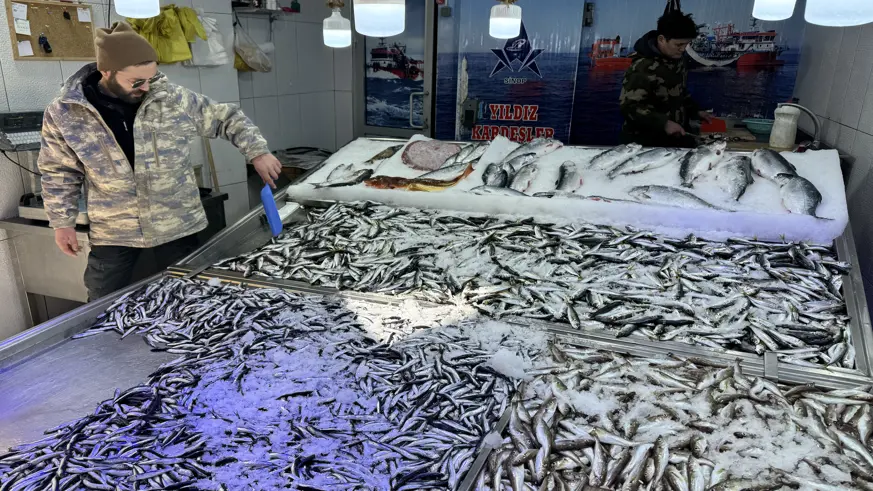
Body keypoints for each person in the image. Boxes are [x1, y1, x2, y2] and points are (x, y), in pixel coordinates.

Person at [38, 22, 283, 301]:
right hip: (115, 233)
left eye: (150, 79)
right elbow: (58, 170)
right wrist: (62, 222)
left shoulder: (171, 99)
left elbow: (226, 118)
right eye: (136, 82)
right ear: (106, 71)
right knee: (102, 305)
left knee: (187, 300)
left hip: (176, 224)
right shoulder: (67, 112)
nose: (146, 87)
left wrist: (258, 152)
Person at [619, 10, 713, 148]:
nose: (682, 49)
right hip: (643, 145)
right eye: (678, 45)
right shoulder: (642, 67)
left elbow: (680, 92)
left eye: (686, 45)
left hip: (673, 140)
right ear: (662, 39)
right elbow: (629, 107)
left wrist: (695, 111)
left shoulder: (678, 60)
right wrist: (664, 123)